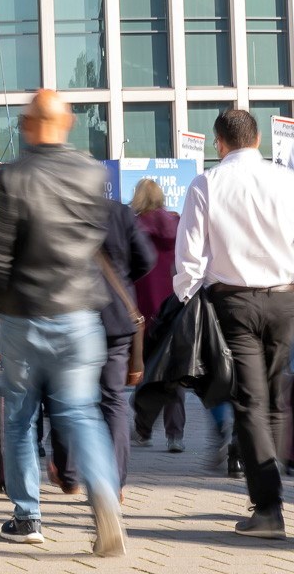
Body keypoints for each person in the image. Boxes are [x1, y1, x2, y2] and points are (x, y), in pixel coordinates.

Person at [0, 89, 126, 556]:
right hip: (81, 313)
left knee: (20, 418)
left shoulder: (14, 176)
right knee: (81, 412)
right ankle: (104, 498)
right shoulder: (91, 171)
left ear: (30, 125)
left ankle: (28, 518)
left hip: (24, 314)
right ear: (65, 124)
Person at [173, 108, 294, 538]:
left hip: (233, 304)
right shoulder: (286, 179)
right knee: (277, 396)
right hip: (285, 299)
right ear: (258, 139)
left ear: (219, 143)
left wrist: (188, 298)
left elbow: (188, 256)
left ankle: (268, 509)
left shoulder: (207, 183)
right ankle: (274, 477)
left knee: (249, 402)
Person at [50, 198, 156, 495]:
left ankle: (68, 475)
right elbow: (146, 258)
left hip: (73, 314)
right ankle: (114, 482)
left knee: (67, 396)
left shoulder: (62, 208)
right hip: (116, 318)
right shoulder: (120, 212)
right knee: (114, 399)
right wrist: (121, 279)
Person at [128, 178, 187, 452]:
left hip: (143, 311)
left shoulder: (134, 227)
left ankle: (143, 430)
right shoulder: (177, 224)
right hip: (173, 308)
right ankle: (175, 435)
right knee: (174, 374)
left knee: (148, 372)